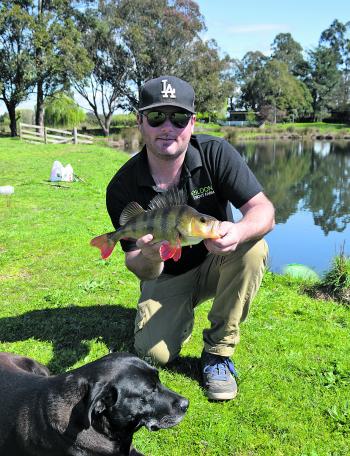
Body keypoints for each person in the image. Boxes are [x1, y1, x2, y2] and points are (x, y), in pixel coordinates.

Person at [106, 75, 275, 401]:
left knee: (255, 247)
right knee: (153, 355)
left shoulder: (217, 154)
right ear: (141, 122)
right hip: (166, 274)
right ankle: (176, 311)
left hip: (217, 263)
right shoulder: (122, 186)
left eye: (179, 117)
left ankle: (218, 354)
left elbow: (263, 211)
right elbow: (135, 263)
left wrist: (237, 231)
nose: (167, 127)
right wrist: (151, 257)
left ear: (192, 122)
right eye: (156, 117)